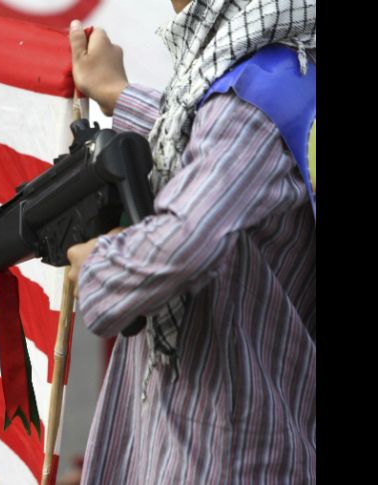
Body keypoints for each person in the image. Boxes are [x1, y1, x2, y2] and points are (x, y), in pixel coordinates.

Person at [65, 1, 315, 483]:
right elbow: (210, 149)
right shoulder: (286, 72)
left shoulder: (255, 93)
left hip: (218, 456)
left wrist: (101, 265)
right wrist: (118, 94)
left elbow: (185, 241)